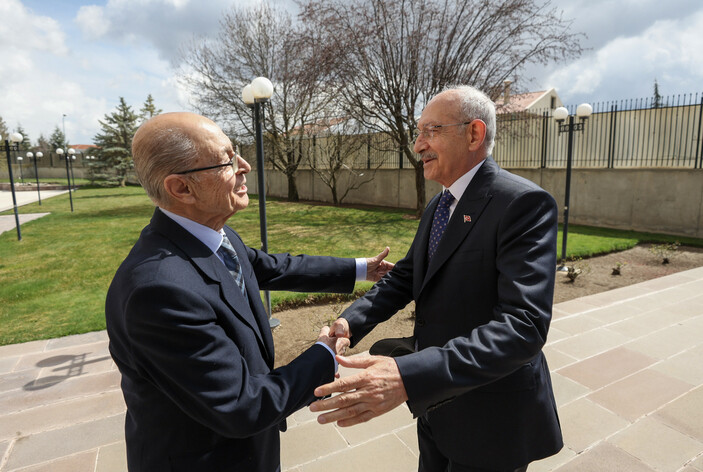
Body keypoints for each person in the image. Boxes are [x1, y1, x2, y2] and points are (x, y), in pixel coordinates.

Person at [105, 112, 393, 472]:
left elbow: (272, 267)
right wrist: (325, 354)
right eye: (226, 160)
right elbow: (244, 406)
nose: (244, 166)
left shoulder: (209, 236)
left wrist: (361, 268)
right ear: (181, 188)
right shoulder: (159, 292)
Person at [310, 85, 563, 472]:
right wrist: (351, 321)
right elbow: (406, 277)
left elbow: (523, 327)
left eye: (430, 131)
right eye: (418, 132)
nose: (417, 145)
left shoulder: (522, 204)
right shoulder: (440, 203)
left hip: (491, 418)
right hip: (434, 408)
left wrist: (407, 376)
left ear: (474, 134)